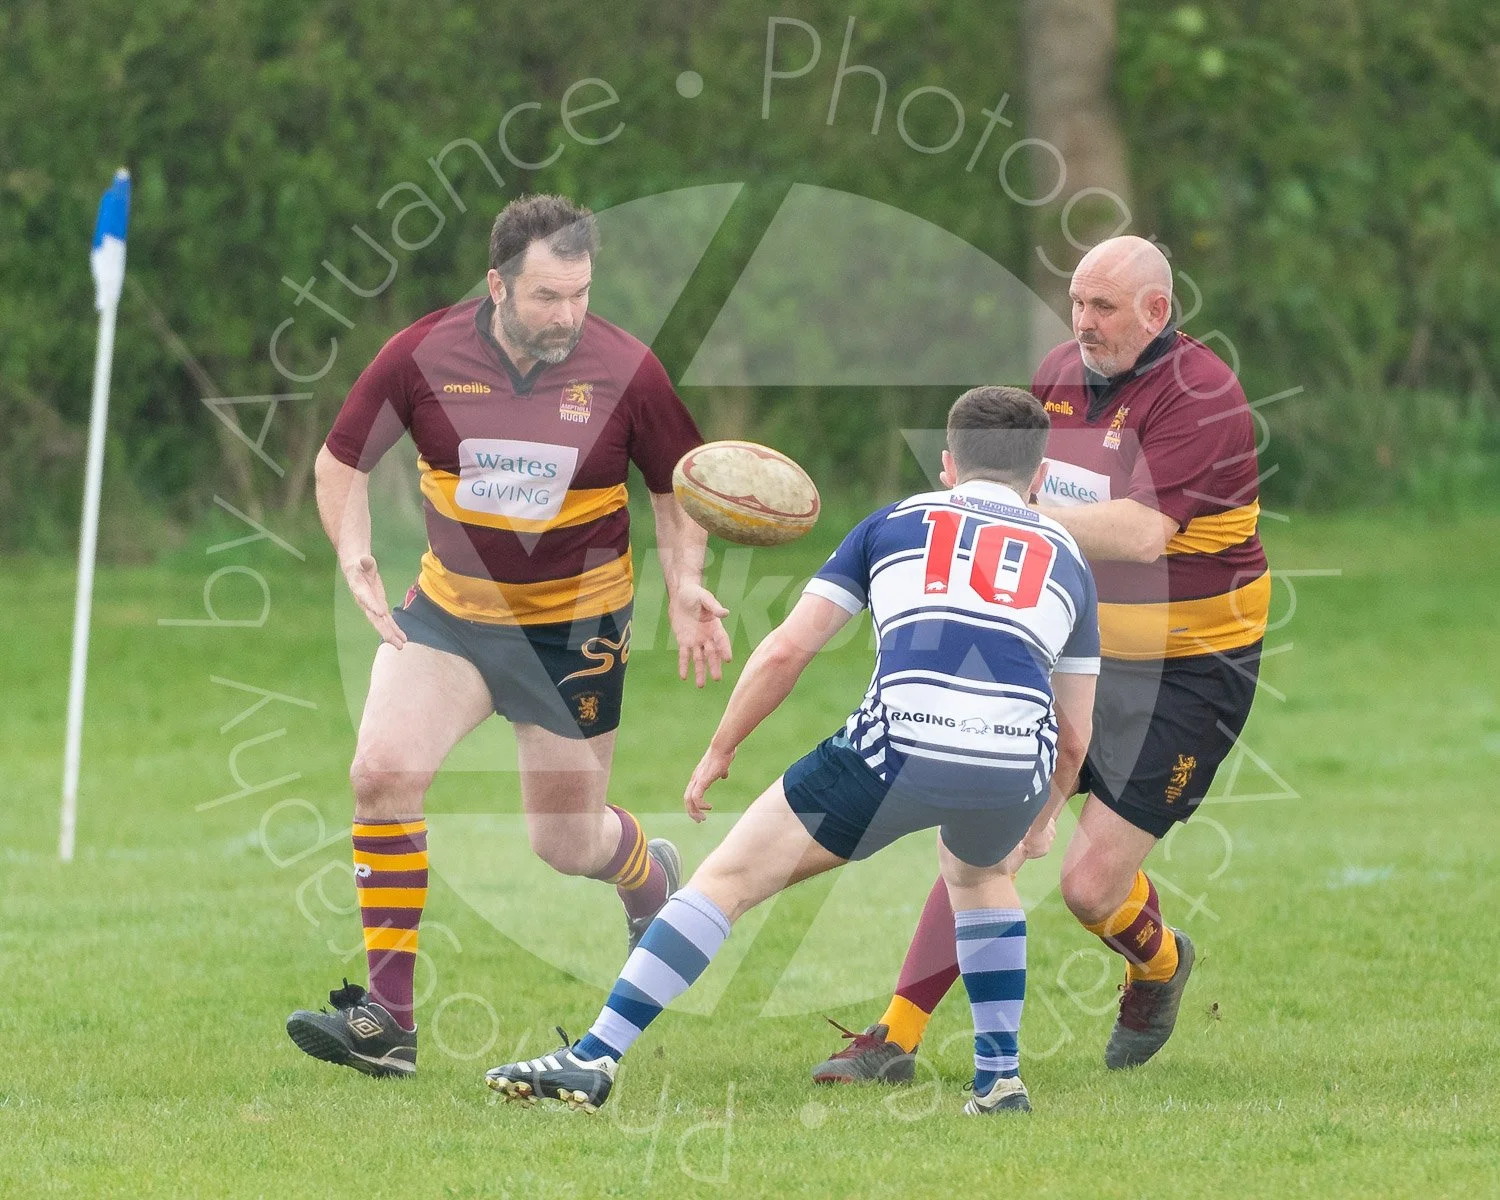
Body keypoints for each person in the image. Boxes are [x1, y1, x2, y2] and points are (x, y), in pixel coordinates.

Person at [483, 386, 1100, 1115]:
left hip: (896, 745)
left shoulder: (891, 523)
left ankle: (594, 1057)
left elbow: (786, 652)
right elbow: (1076, 731)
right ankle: (998, 1082)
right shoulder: (1070, 558)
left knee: (727, 880)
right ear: (1040, 474)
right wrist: (1045, 814)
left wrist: (721, 748)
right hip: (1014, 761)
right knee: (979, 874)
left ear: (947, 464)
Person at [284, 194, 732, 1078]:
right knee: (381, 773)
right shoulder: (420, 355)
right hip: (451, 617)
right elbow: (341, 463)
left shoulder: (627, 370)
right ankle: (389, 1021)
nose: (568, 317)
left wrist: (686, 583)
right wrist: (357, 553)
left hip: (577, 634)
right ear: (496, 284)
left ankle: (646, 873)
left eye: (581, 295)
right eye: (546, 298)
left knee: (564, 843)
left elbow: (678, 488)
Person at [811, 235, 1269, 1083]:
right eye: (1078, 302)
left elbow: (1137, 533)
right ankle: (895, 1035)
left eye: (1102, 308)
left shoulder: (1202, 395)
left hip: (1190, 669)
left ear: (1156, 312)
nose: (1082, 323)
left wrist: (996, 505)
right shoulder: (1059, 374)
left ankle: (1160, 963)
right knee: (986, 828)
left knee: (1091, 889)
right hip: (1074, 649)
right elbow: (1010, 483)